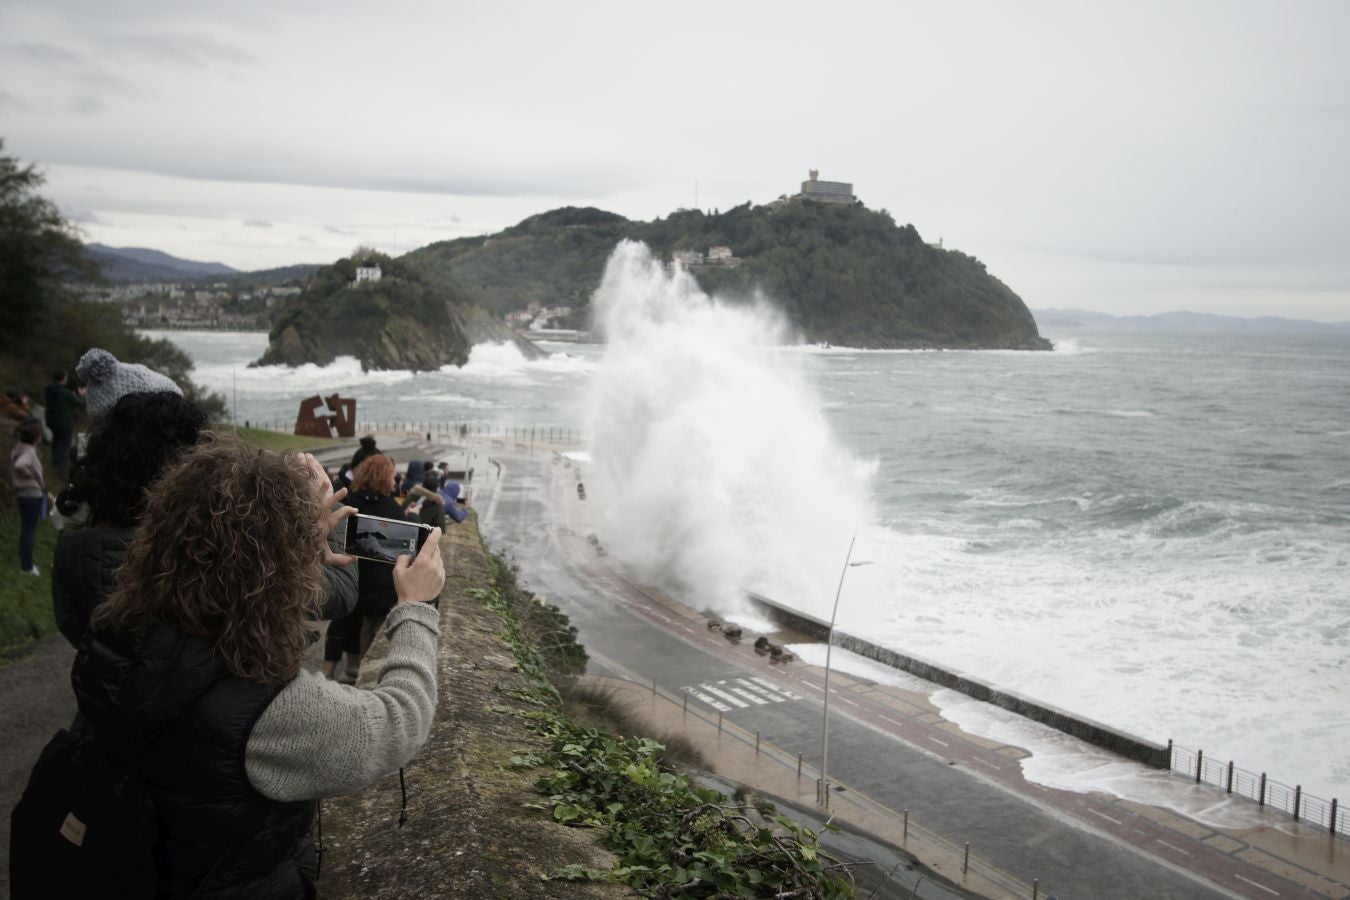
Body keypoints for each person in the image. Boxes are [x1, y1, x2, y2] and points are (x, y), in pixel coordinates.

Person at [10, 435, 445, 898]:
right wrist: (415, 605)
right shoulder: (271, 711)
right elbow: (402, 719)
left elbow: (228, 597)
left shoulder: (117, 631)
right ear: (278, 569)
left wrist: (293, 552)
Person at [53, 389, 358, 649]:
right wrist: (322, 507)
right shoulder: (200, 563)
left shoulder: (73, 553)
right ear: (184, 476)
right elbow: (339, 595)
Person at [323, 453, 410, 682]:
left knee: (341, 626)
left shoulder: (350, 501)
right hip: (377, 587)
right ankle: (360, 672)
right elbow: (400, 553)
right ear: (387, 478)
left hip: (347, 574)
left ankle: (332, 672)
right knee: (370, 631)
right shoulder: (393, 509)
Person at [10, 419, 46, 575]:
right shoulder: (29, 452)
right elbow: (20, 465)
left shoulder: (19, 448)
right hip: (32, 494)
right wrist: (32, 475)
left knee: (26, 529)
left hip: (21, 494)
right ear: (36, 436)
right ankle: (27, 567)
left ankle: (26, 563)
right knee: (29, 531)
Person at [43, 369, 84, 479]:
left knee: (56, 444)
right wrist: (81, 395)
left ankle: (54, 466)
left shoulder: (49, 390)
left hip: (52, 421)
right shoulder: (65, 393)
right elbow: (80, 403)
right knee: (64, 447)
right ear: (64, 378)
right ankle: (60, 473)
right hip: (65, 424)